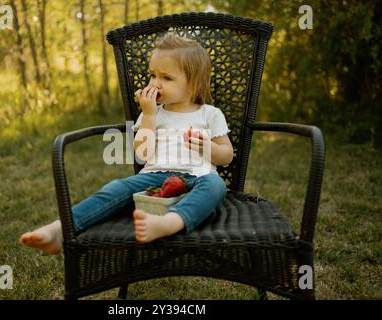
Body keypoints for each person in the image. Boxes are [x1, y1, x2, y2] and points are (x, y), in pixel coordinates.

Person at [19, 33, 234, 254]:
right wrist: (149, 116)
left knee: (216, 186)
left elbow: (227, 156)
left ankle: (171, 223)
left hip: (198, 177)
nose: (155, 84)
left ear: (193, 85)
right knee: (116, 188)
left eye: (166, 78)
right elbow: (142, 153)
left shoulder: (210, 114)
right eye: (152, 75)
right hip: (154, 177)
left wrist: (206, 147)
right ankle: (61, 229)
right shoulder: (151, 113)